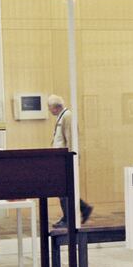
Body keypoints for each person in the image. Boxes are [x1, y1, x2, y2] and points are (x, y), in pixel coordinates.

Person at [47, 94, 92, 227]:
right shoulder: (62, 117)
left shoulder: (67, 116)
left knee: (64, 189)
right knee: (64, 189)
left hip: (65, 160)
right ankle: (81, 210)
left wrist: (72, 158)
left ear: (56, 107)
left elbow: (71, 139)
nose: (49, 110)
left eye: (50, 107)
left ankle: (69, 218)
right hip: (60, 159)